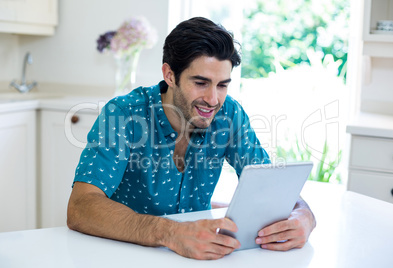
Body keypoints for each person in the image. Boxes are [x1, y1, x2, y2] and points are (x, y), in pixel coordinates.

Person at [67, 17, 316, 260]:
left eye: (222, 85)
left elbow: (270, 182)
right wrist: (171, 233)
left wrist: (304, 215)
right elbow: (81, 207)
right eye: (201, 82)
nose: (213, 99)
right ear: (170, 75)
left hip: (194, 258)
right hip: (119, 256)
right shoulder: (123, 114)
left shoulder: (229, 113)